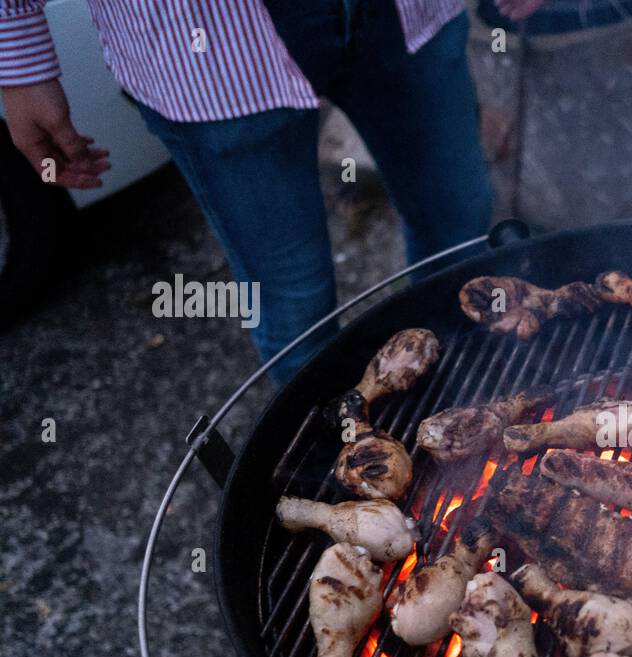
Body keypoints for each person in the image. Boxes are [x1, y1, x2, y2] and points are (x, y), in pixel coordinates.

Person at [0, 0, 541, 384]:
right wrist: (17, 50)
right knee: (291, 300)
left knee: (458, 219)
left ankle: (468, 386)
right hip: (203, 43)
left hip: (403, 15)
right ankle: (340, 459)